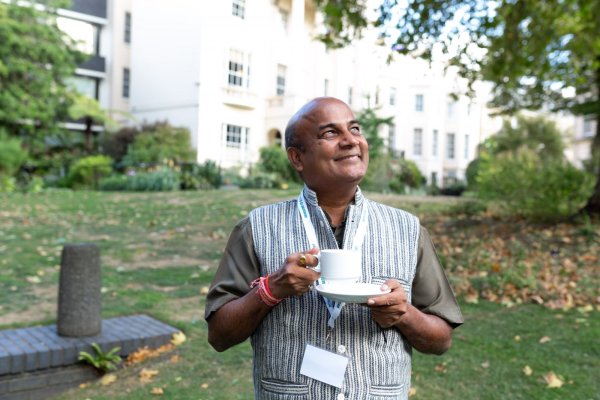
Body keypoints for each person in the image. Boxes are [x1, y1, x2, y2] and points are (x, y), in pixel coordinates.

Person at [205, 97, 464, 399]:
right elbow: (219, 336)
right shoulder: (256, 228)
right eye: (330, 133)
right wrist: (271, 290)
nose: (351, 140)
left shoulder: (407, 230)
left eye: (354, 129)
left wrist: (404, 314)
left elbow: (441, 339)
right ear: (297, 158)